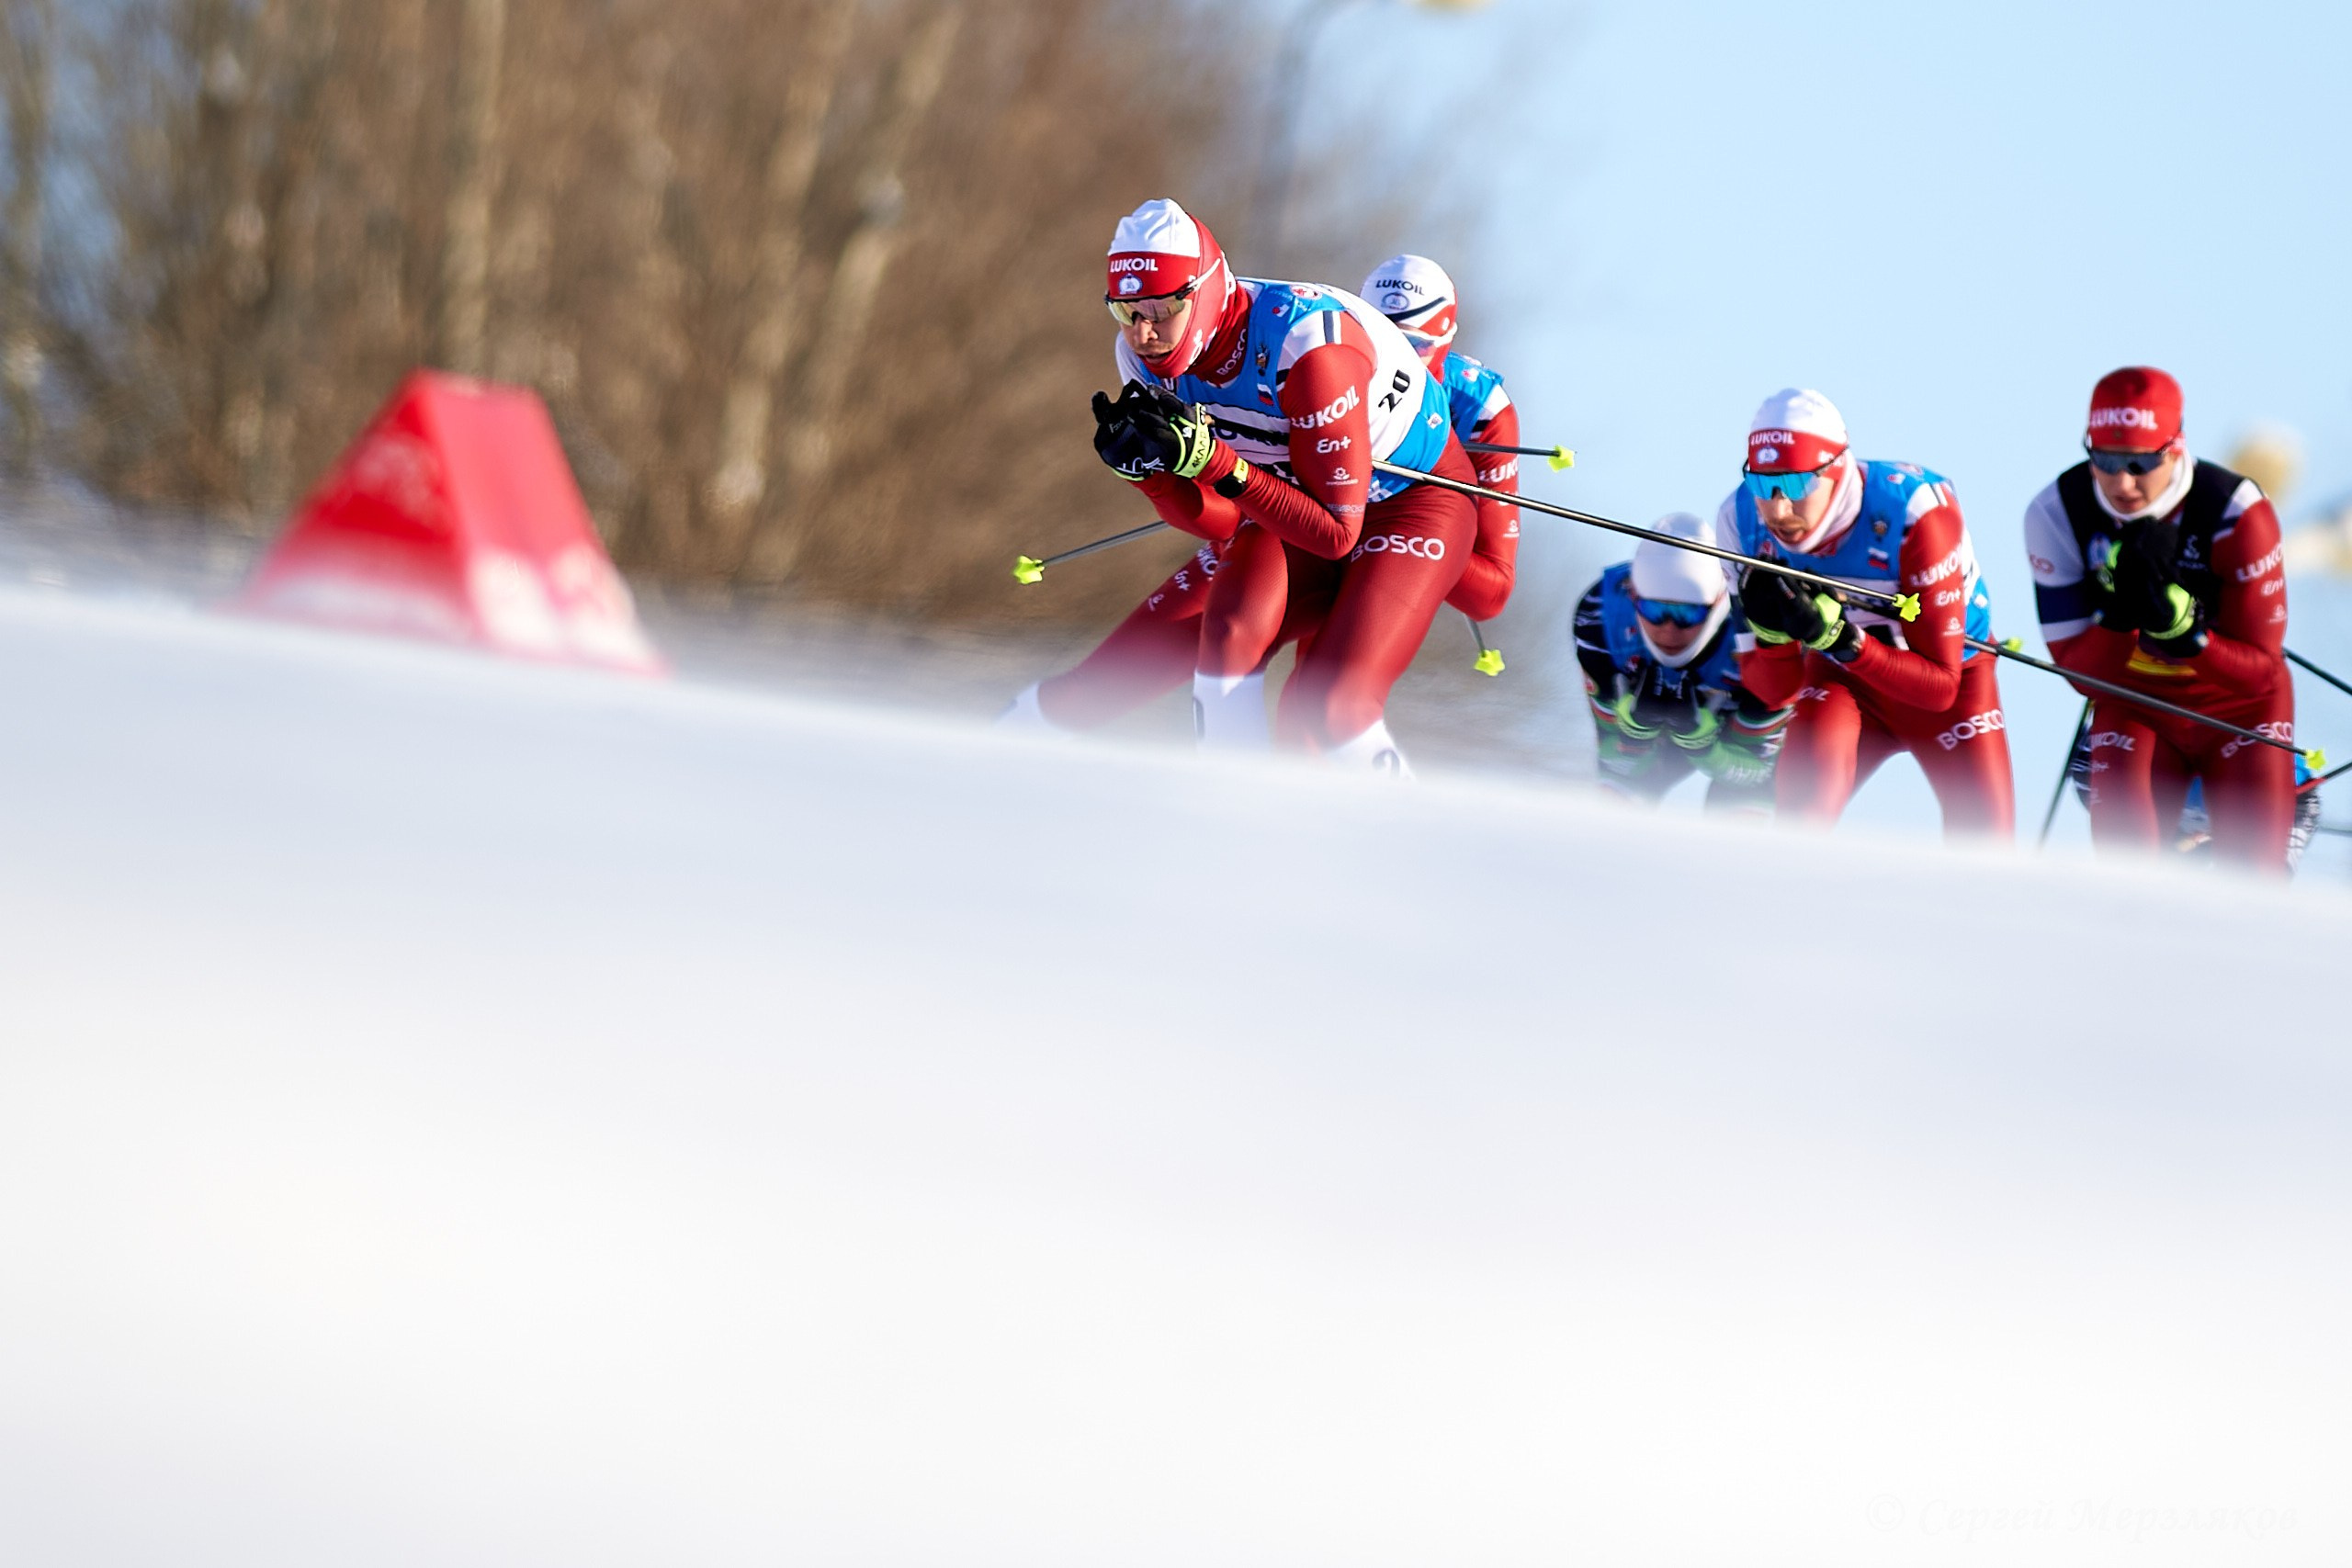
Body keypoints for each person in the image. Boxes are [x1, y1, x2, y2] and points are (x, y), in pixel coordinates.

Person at [1004, 209, 1478, 769]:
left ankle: (1413, 840)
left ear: (1203, 293)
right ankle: (1234, 819)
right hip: (1285, 501)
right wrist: (1152, 479)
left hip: (1408, 506)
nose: (1144, 332)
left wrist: (1218, 464)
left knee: (1333, 706)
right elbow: (1224, 524)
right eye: (1126, 310)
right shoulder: (1140, 358)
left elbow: (1333, 534)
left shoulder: (1307, 349)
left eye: (1162, 309)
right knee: (1224, 631)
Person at [2024, 367, 2294, 871]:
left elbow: (2261, 672)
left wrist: (2187, 636)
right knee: (2128, 878)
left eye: (2140, 462)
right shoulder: (2056, 511)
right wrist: (2123, 616)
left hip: (2236, 708)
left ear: (2175, 449)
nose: (2122, 481)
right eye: (2104, 459)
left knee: (2255, 886)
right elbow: (2076, 673)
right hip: (2135, 703)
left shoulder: (2236, 512)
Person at [1717, 388, 2015, 838]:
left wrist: (1843, 641)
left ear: (1836, 471)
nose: (1778, 509)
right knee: (1796, 828)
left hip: (1953, 685)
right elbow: (1773, 692)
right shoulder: (1740, 519)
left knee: (1986, 852)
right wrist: (1772, 637)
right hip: (1842, 683)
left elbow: (1940, 689)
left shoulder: (1916, 513)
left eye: (1796, 485)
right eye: (1761, 484)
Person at [1573, 513, 1791, 811]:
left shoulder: (1760, 627)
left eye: (1688, 615)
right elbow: (1615, 763)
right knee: (1617, 800)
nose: (1669, 629)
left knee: (1742, 816)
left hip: (1735, 739)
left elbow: (1756, 773)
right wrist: (1636, 731)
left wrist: (1701, 745)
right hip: (1660, 747)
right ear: (1634, 596)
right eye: (1653, 609)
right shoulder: (1599, 616)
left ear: (1718, 602)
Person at [1361, 254, 1520, 624]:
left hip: (1395, 553)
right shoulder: (1321, 359)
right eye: (1380, 342)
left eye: (1414, 347)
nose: (1395, 360)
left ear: (1446, 340)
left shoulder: (1480, 408)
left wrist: (1406, 526)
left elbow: (1491, 594)